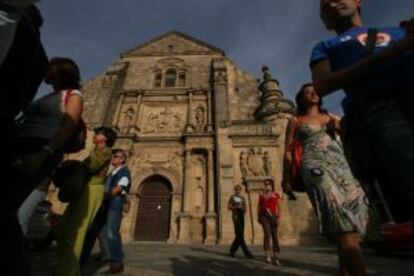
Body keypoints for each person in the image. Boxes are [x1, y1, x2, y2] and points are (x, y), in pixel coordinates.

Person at [310, 0, 414, 223]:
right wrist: (395, 51)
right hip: (380, 112)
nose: (331, 4)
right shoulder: (325, 47)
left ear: (358, 1)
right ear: (324, 21)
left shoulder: (400, 30)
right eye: (324, 6)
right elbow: (322, 85)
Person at [283, 83, 369, 276]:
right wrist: (285, 178)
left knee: (350, 225)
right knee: (340, 217)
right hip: (315, 168)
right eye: (307, 91)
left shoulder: (331, 118)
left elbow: (350, 136)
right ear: (301, 98)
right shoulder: (296, 120)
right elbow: (288, 151)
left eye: (315, 90)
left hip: (340, 167)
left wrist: (342, 125)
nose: (313, 93)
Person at [55, 127, 117, 276]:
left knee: (76, 232)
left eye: (99, 133)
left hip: (93, 189)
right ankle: (65, 267)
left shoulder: (107, 151)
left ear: (105, 138)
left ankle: (68, 271)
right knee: (62, 230)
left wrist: (71, 164)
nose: (94, 135)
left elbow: (91, 166)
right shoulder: (94, 151)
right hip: (83, 188)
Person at [80, 149, 131, 274]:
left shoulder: (124, 171)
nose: (112, 157)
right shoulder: (112, 172)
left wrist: (107, 195)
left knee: (111, 232)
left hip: (114, 202)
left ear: (122, 160)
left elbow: (120, 187)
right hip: (105, 203)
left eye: (116, 156)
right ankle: (81, 261)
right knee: (94, 231)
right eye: (113, 155)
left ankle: (117, 263)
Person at [258, 179, 281, 265]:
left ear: (272, 185)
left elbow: (279, 207)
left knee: (275, 236)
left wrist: (278, 217)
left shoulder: (276, 195)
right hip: (264, 216)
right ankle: (267, 255)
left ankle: (276, 257)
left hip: (273, 216)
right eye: (265, 184)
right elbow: (259, 206)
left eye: (268, 184)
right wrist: (258, 216)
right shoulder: (261, 195)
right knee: (267, 234)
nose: (266, 186)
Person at [228, 184, 254, 259]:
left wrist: (242, 208)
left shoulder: (242, 198)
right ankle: (246, 253)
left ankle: (232, 250)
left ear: (240, 190)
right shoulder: (232, 197)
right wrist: (236, 206)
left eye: (239, 189)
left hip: (241, 216)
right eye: (236, 189)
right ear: (235, 190)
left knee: (239, 235)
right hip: (235, 216)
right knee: (239, 234)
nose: (237, 190)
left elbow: (245, 209)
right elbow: (229, 206)